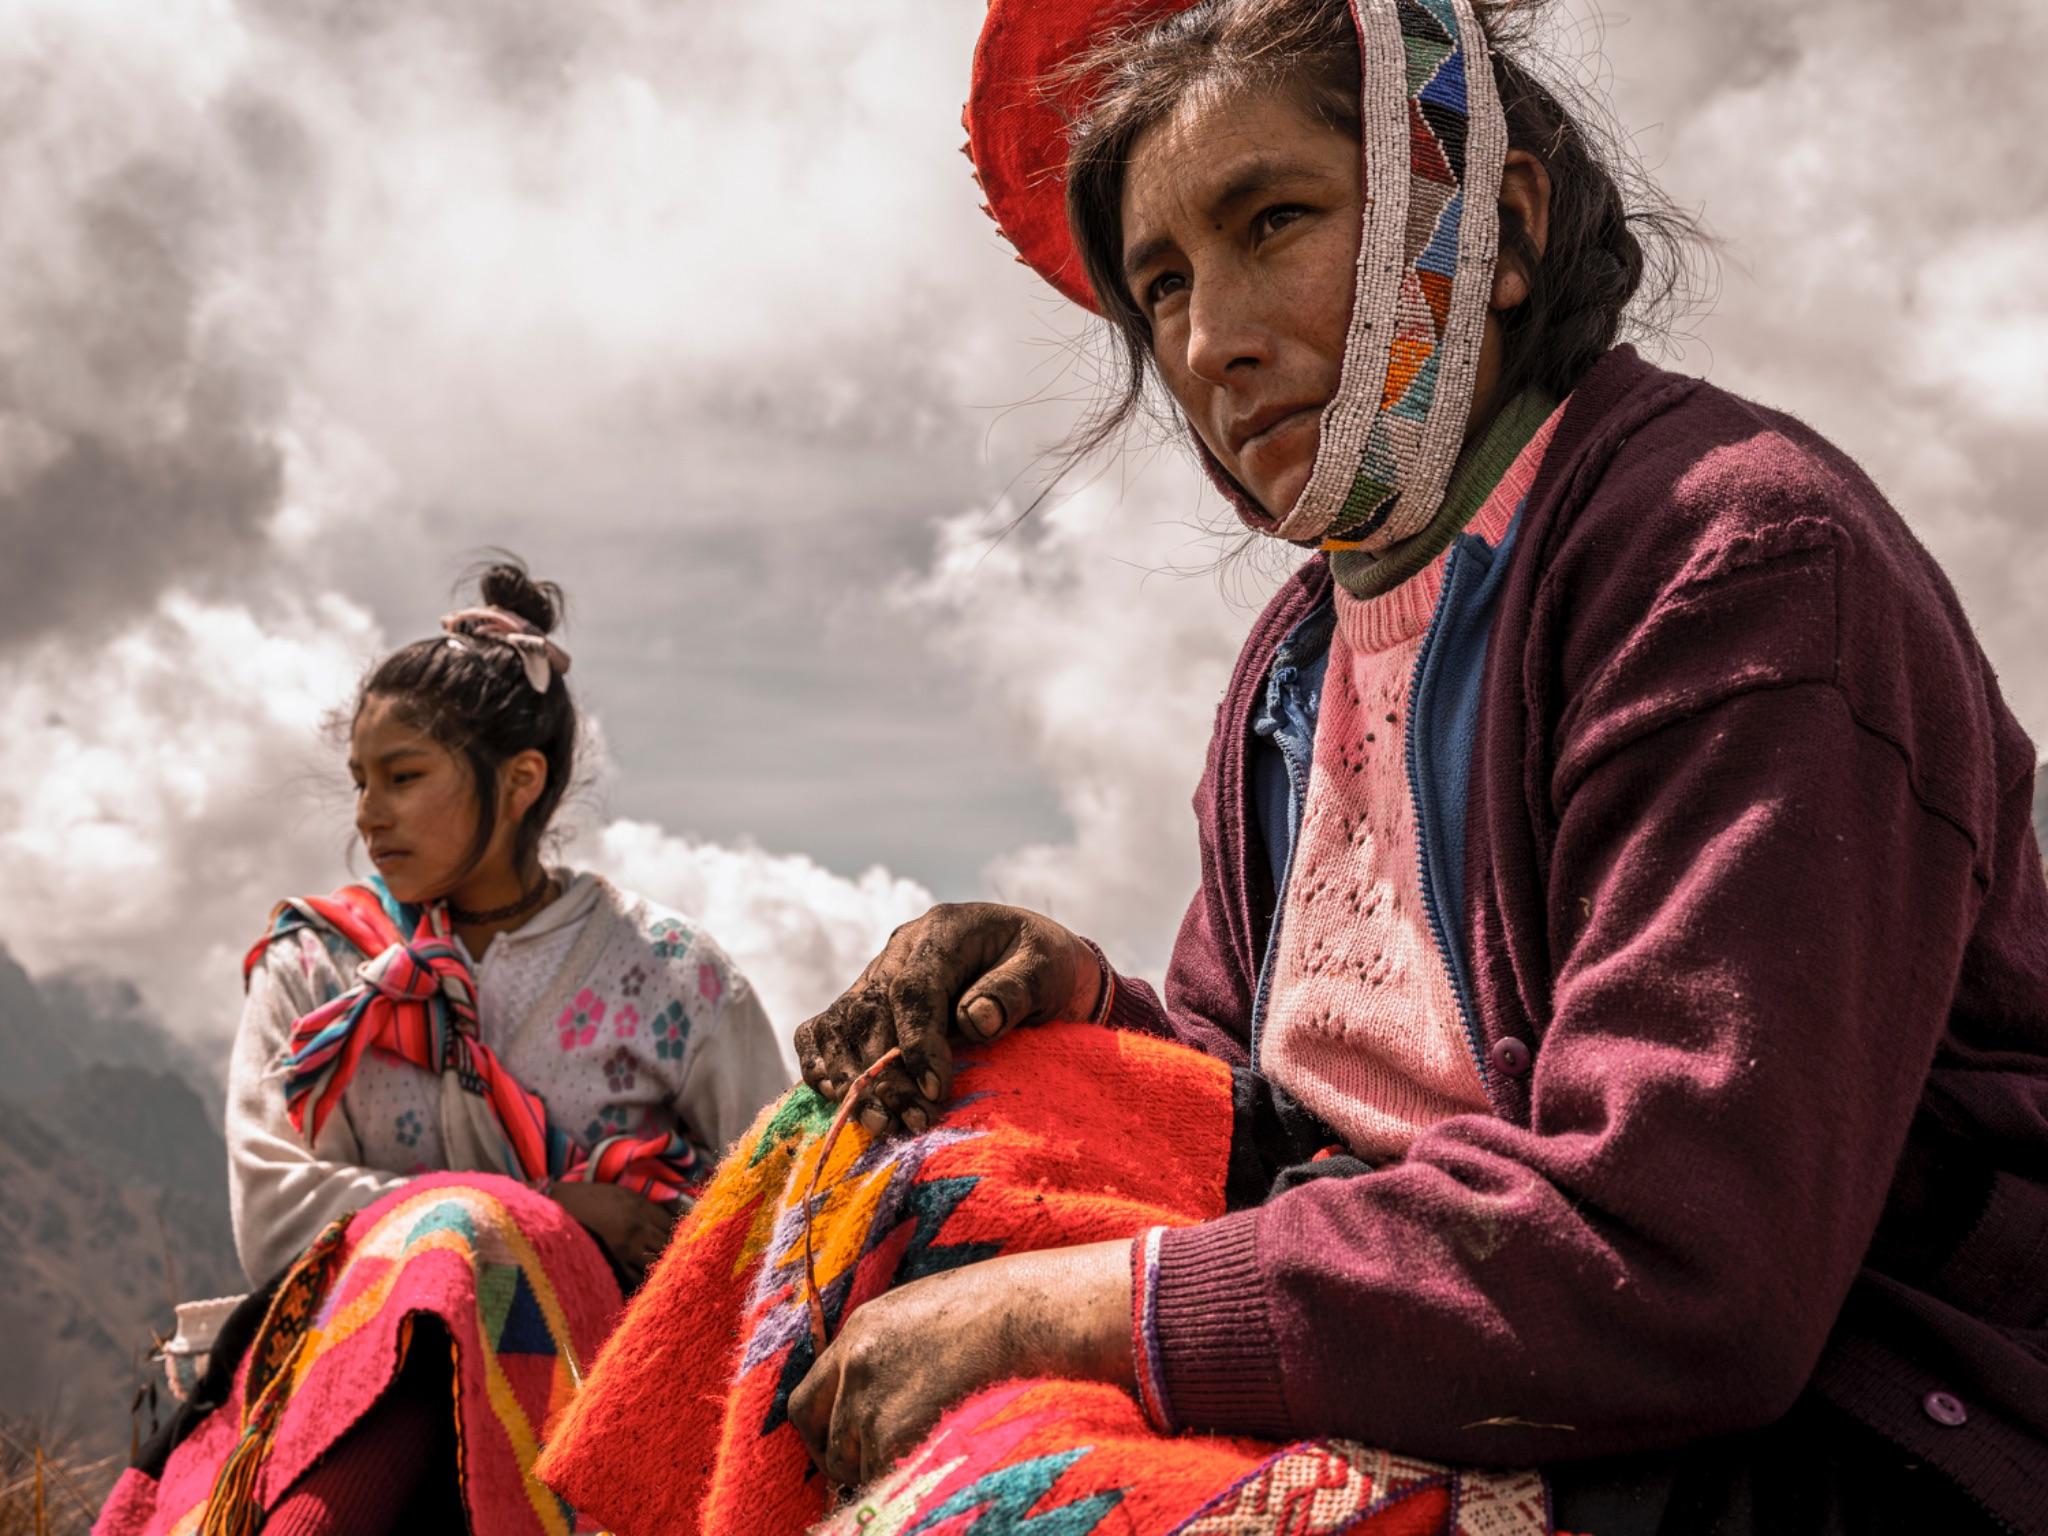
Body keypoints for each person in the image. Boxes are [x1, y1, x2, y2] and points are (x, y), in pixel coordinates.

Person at [777, 2, 2048, 1532]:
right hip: (1464, 1376)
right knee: (905, 1159)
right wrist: (1074, 1002)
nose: (1207, 340)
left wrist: (1065, 1319)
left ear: (1500, 229)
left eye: (1276, 222)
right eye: (1162, 283)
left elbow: (1686, 1264)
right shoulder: (1298, 671)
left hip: (1836, 1441)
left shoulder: (1734, 566)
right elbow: (1272, 1112)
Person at [96, 561, 793, 1536]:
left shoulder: (672, 978)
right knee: (459, 1251)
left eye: (404, 777)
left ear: (519, 782)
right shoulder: (316, 969)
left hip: (600, 1408)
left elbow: (783, 1211)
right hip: (338, 1388)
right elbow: (270, 1214)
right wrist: (547, 1215)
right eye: (359, 782)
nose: (368, 816)